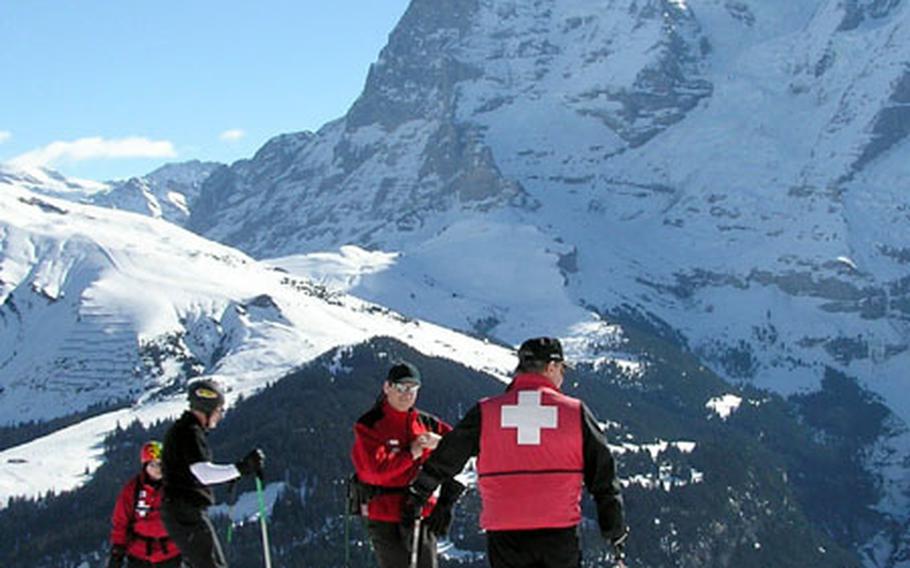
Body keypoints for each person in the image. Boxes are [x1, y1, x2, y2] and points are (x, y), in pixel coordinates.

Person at [405, 337, 627, 568]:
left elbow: (449, 455)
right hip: (558, 532)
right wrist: (615, 530)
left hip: (505, 533)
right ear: (551, 367)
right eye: (562, 369)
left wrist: (419, 490)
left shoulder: (487, 411)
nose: (562, 376)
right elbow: (603, 476)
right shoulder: (575, 412)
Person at [350, 361, 462, 568]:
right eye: (401, 387)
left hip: (420, 509)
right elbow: (374, 472)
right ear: (387, 388)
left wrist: (441, 444)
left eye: (413, 388)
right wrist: (412, 453)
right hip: (384, 513)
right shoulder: (370, 424)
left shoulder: (426, 423)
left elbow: (462, 446)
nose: (406, 394)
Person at [160, 379, 265, 568]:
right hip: (185, 511)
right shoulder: (189, 432)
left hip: (180, 510)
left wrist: (236, 472)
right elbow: (203, 473)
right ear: (208, 409)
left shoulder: (183, 430)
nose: (220, 415)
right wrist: (241, 468)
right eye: (219, 410)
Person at [106, 440, 182, 568]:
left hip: (170, 551)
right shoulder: (132, 489)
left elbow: (189, 515)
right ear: (145, 466)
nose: (158, 469)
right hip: (139, 552)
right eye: (153, 464)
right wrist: (117, 551)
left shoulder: (177, 487)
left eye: (161, 464)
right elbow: (121, 521)